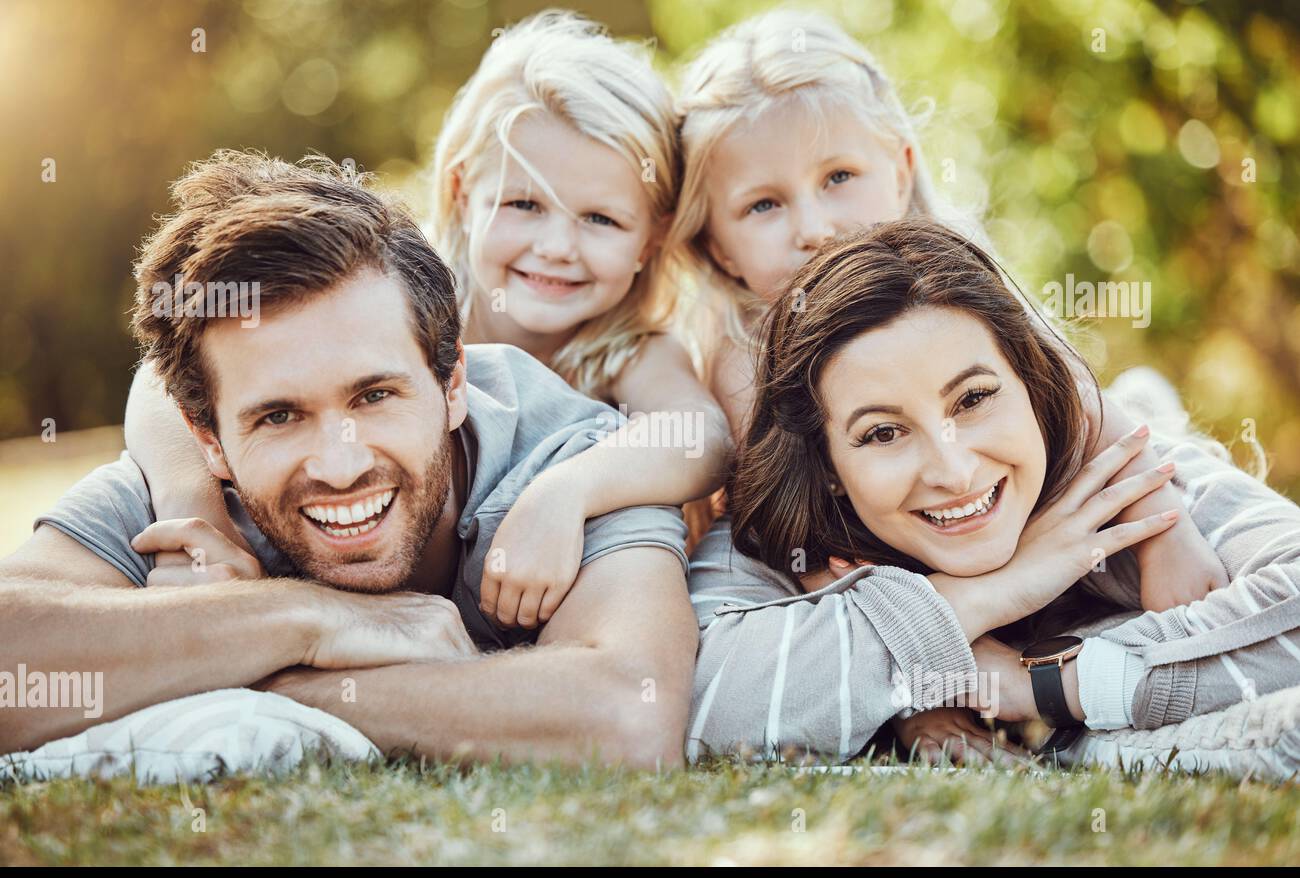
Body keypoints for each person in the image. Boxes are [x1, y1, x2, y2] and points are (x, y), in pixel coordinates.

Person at [0, 149, 698, 771]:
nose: (339, 466)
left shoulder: (569, 458)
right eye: (279, 416)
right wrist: (308, 619)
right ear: (208, 439)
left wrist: (251, 673)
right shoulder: (187, 500)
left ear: (453, 384)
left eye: (374, 396)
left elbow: (627, 717)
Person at [124, 11, 730, 631]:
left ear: (651, 240)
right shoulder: (404, 302)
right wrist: (194, 511)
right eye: (524, 204)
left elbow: (701, 438)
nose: (556, 245)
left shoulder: (630, 349)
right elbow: (164, 380)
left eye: (600, 219)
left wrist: (566, 492)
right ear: (465, 194)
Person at [687, 220, 1300, 772]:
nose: (953, 471)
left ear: (1031, 386)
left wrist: (1039, 686)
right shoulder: (779, 534)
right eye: (883, 433)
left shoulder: (1116, 477)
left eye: (973, 399)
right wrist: (975, 603)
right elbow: (707, 705)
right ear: (827, 468)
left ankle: (1149, 397)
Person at [667, 9, 1226, 614]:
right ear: (715, 245)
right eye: (763, 205)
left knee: (1138, 411)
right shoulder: (738, 354)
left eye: (839, 176)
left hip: (1003, 502)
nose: (814, 228)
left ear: (903, 168)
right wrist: (947, 653)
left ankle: (1152, 402)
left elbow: (1079, 396)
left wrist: (1166, 533)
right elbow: (795, 532)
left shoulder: (950, 283)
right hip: (911, 558)